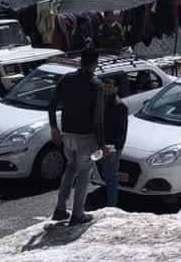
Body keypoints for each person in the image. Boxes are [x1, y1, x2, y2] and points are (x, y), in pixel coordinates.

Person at [47, 49, 105, 225]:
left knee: (70, 169)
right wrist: (101, 144)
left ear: (80, 62)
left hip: (68, 134)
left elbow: (51, 105)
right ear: (95, 64)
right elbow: (98, 119)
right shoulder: (96, 85)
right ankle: (78, 214)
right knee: (84, 173)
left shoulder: (66, 79)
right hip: (86, 136)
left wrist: (54, 127)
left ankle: (60, 208)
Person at [99, 78, 129, 210]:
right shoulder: (101, 102)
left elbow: (121, 131)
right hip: (101, 145)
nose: (107, 89)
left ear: (115, 88)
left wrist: (115, 149)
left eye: (110, 87)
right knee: (105, 175)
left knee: (111, 178)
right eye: (105, 87)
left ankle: (111, 207)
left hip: (111, 147)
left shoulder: (119, 106)